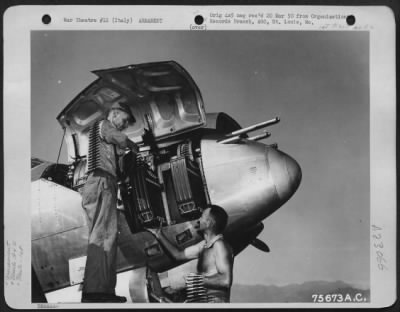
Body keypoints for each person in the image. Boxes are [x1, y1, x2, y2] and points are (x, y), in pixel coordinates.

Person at [81, 101, 139, 303]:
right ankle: (96, 291)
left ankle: (103, 290)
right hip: (101, 181)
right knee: (103, 235)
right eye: (124, 120)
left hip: (104, 183)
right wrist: (132, 144)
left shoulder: (108, 140)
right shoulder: (104, 125)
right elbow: (117, 136)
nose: (124, 126)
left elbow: (119, 160)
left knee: (107, 236)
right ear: (115, 114)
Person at [147, 205, 233, 303]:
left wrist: (196, 280)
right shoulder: (204, 246)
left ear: (209, 223)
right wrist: (159, 234)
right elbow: (177, 255)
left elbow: (225, 280)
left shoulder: (219, 245)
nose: (198, 220)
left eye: (202, 217)